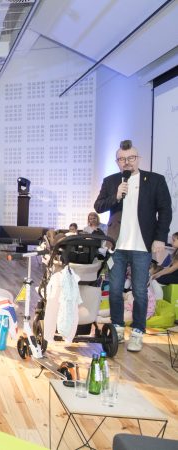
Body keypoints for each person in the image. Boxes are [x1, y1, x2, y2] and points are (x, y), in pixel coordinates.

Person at [94, 139, 172, 352]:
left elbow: (165, 210)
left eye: (131, 158)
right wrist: (116, 196)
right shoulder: (111, 181)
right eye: (122, 159)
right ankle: (118, 328)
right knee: (115, 289)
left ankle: (138, 331)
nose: (127, 162)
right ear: (117, 162)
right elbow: (98, 206)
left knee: (139, 290)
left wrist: (160, 238)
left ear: (138, 159)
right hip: (117, 246)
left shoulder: (155, 180)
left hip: (142, 246)